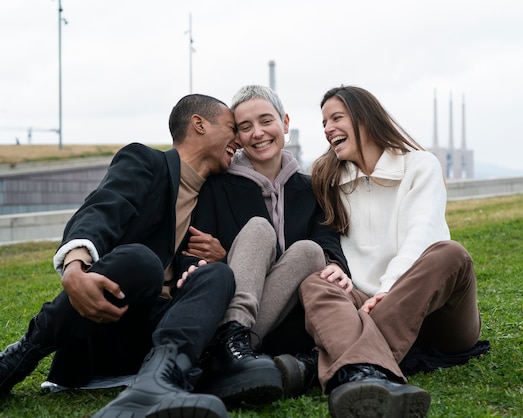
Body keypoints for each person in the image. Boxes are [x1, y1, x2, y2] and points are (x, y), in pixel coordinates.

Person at [0, 94, 241, 418]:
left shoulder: (215, 193)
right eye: (232, 127)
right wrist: (74, 267)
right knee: (142, 263)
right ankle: (24, 352)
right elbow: (102, 208)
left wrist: (221, 256)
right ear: (199, 124)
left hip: (159, 336)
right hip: (106, 319)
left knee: (218, 274)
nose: (238, 139)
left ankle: (161, 378)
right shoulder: (145, 162)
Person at [278, 85, 489, 418]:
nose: (328, 128)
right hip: (366, 304)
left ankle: (322, 365)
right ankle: (366, 375)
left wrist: (390, 290)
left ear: (365, 118)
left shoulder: (421, 165)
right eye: (324, 123)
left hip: (432, 312)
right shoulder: (329, 181)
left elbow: (422, 235)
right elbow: (324, 236)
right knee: (315, 283)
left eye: (337, 117)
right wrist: (337, 269)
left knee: (451, 253)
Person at [177, 85, 351, 404]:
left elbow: (327, 240)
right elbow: (193, 251)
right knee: (259, 228)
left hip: (288, 317)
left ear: (284, 122)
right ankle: (233, 341)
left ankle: (227, 353)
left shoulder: (311, 188)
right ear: (237, 137)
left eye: (266, 121)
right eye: (245, 127)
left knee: (311, 251)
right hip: (227, 306)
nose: (257, 133)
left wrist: (336, 264)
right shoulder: (218, 186)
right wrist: (197, 269)